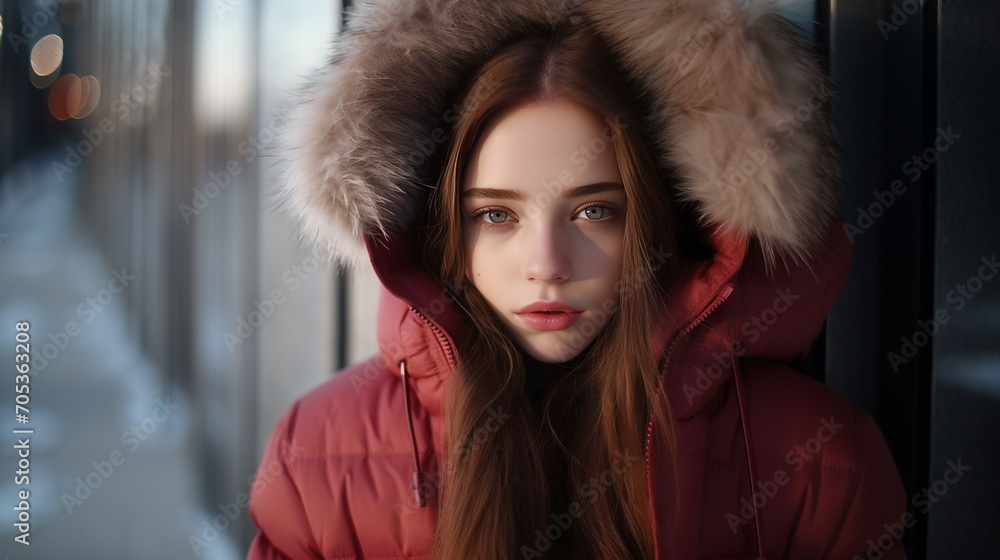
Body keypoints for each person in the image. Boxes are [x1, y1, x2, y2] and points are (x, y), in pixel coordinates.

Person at [247, 1, 909, 559]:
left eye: (595, 211)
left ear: (658, 219)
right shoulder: (316, 453)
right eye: (496, 215)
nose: (547, 264)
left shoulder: (819, 457)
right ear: (442, 230)